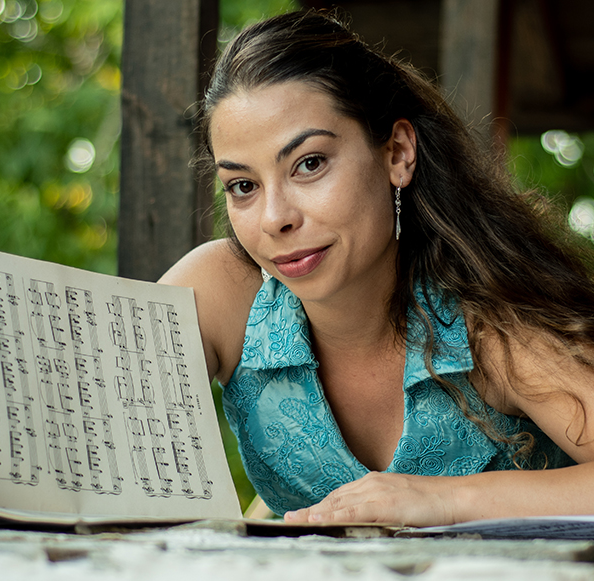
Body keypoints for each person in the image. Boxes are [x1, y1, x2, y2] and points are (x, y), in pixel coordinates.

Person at [159, 9, 594, 526]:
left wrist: (441, 501)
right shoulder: (220, 294)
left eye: (310, 163)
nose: (275, 219)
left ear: (398, 152)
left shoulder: (492, 321)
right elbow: (91, 450)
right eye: (243, 186)